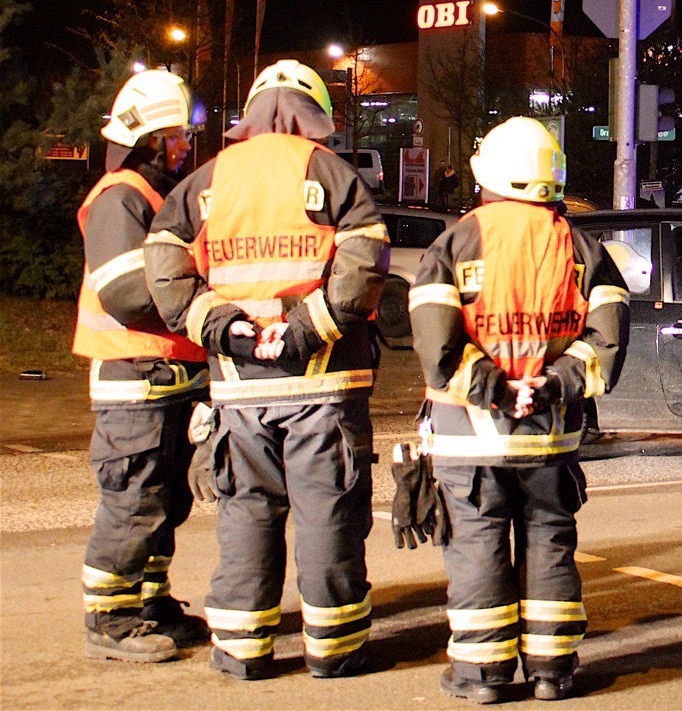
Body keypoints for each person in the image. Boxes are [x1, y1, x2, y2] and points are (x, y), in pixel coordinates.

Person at [145, 60, 390, 679]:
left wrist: (222, 325)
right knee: (328, 516)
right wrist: (306, 329)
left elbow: (165, 263)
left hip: (238, 389)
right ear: (315, 114)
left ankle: (242, 648)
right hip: (324, 382)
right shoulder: (333, 173)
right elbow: (364, 262)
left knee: (246, 514)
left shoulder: (206, 179)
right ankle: (333, 650)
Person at [408, 117, 629, 703]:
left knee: (476, 544)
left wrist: (497, 388)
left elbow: (437, 349)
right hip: (549, 436)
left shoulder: (453, 243)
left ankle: (482, 675)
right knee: (550, 539)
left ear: (489, 176)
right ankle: (553, 671)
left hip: (469, 436)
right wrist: (550, 384)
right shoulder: (584, 249)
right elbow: (606, 343)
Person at [73, 70, 211, 663]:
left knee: (164, 500)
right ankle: (109, 615)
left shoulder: (155, 198)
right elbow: (128, 292)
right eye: (177, 136)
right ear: (150, 138)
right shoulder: (121, 196)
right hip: (133, 379)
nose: (186, 146)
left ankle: (150, 601)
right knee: (134, 498)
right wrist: (204, 305)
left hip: (165, 378)